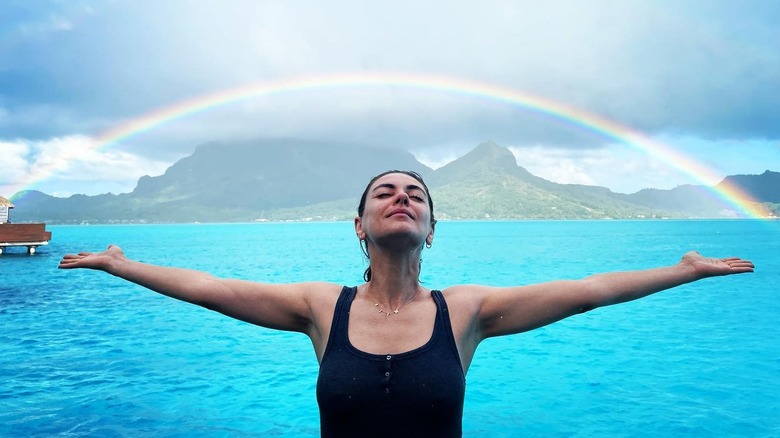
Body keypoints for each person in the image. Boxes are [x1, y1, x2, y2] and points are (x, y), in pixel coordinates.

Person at [59, 170, 754, 437]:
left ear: (431, 227)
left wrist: (684, 270)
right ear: (359, 226)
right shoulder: (318, 306)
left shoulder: (468, 311)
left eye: (416, 194)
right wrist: (122, 266)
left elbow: (587, 294)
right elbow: (212, 291)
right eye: (385, 193)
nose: (403, 198)